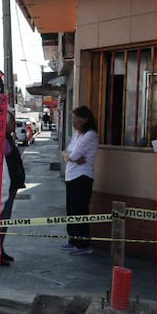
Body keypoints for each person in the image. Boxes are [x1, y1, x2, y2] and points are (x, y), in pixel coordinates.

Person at [61, 105, 98, 255]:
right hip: (70, 176)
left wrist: (70, 157)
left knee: (80, 210)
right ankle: (73, 240)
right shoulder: (77, 134)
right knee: (71, 210)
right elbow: (68, 153)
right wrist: (68, 157)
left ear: (85, 119)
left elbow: (73, 156)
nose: (73, 121)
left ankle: (83, 244)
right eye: (72, 118)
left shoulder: (90, 135)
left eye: (76, 118)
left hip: (82, 177)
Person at [0, 119, 26, 266]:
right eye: (11, 122)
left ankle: (0, 250)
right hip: (6, 189)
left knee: (5, 221)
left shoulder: (8, 138)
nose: (14, 125)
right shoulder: (0, 140)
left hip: (12, 186)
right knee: (2, 221)